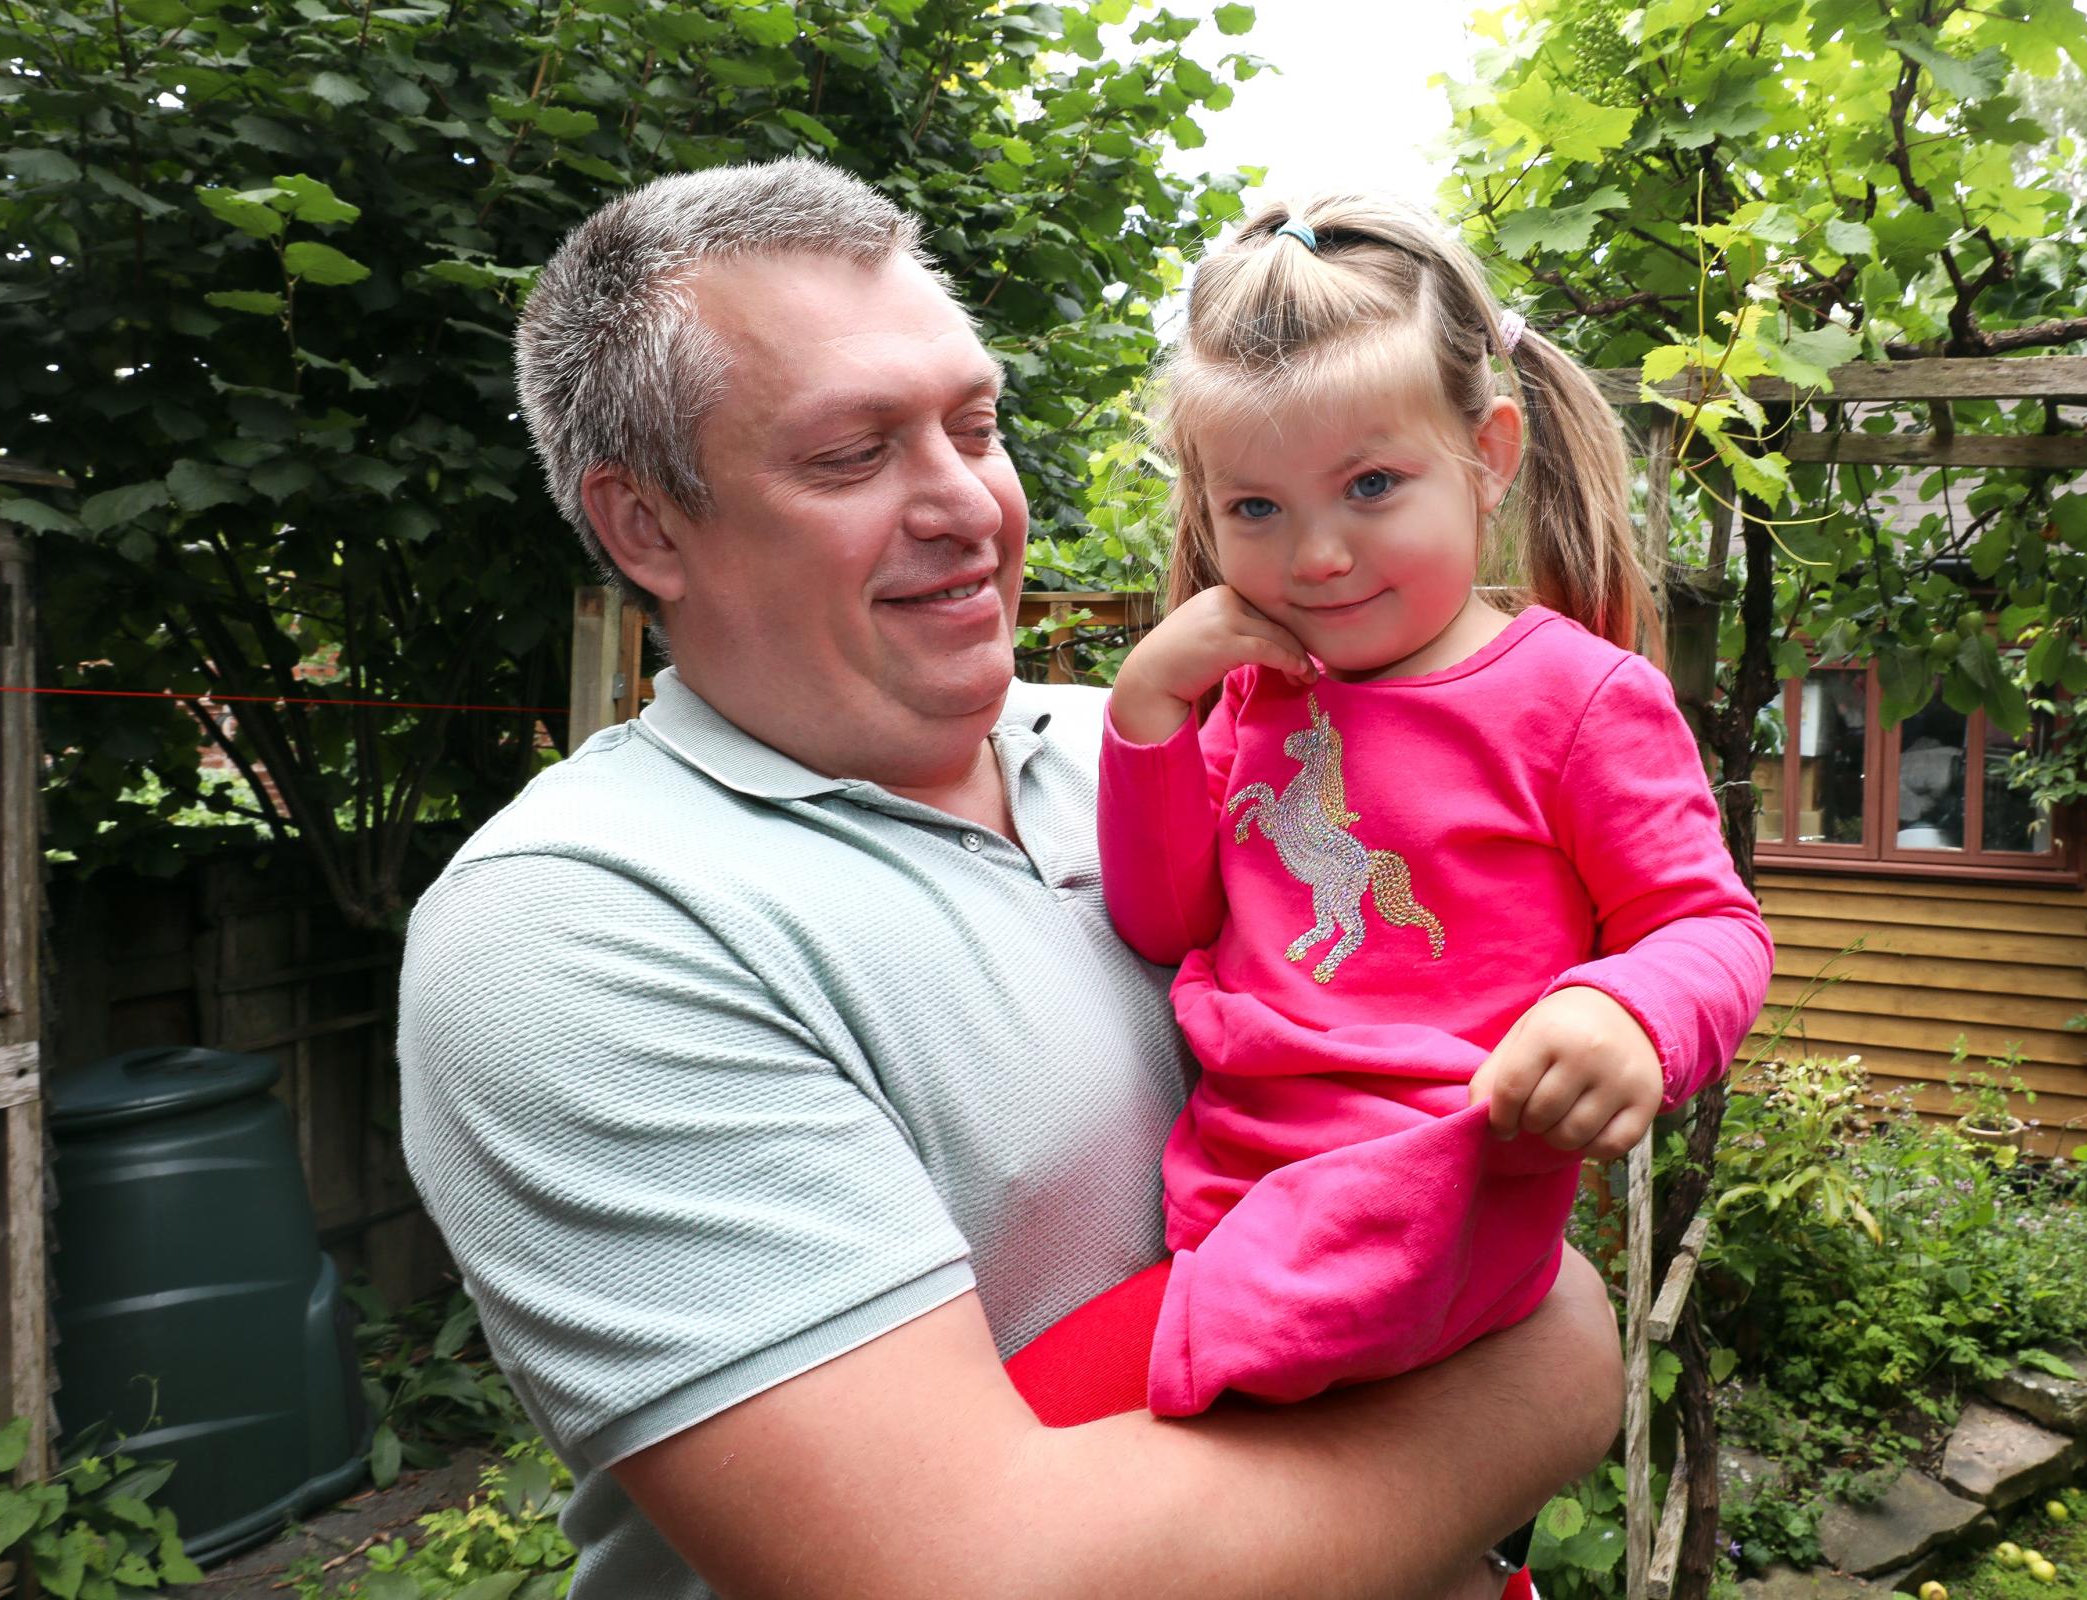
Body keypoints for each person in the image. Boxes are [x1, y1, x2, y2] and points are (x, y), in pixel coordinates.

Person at [399, 156, 1625, 1600]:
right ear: (646, 526)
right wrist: (1550, 1368)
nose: (968, 507)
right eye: (853, 456)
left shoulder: (1170, 748)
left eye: (975, 426)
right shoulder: (580, 926)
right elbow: (970, 1577)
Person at [1076, 195, 1773, 1418]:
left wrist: (1628, 1013)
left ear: (1489, 455)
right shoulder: (1254, 691)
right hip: (1233, 1188)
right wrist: (1148, 712)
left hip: (1429, 1182)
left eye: (1372, 485)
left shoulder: (1577, 697)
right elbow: (1164, 920)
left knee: (1079, 1425)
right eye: (1257, 508)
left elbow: (1713, 929)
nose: (1318, 556)